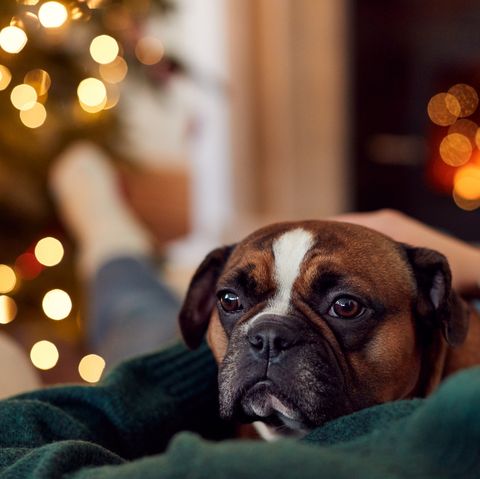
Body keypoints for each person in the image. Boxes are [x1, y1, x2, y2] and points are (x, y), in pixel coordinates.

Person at [0, 145, 470, 478]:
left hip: (177, 397)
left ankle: (112, 240)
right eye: (230, 300)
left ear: (436, 313)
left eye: (345, 307)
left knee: (137, 318)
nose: (268, 339)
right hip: (204, 386)